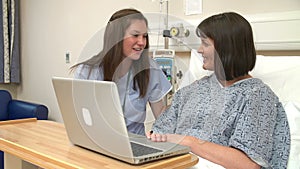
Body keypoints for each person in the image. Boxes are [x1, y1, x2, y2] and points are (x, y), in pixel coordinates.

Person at [147, 12, 290, 169]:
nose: (200, 50)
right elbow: (159, 134)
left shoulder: (257, 96)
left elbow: (248, 165)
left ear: (227, 49)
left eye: (205, 44)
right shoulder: (192, 91)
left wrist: (188, 141)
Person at [70, 8, 172, 135]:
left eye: (144, 36)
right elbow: (78, 118)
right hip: (98, 142)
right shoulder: (88, 72)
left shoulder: (150, 70)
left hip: (135, 145)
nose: (142, 42)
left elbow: (162, 116)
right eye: (135, 35)